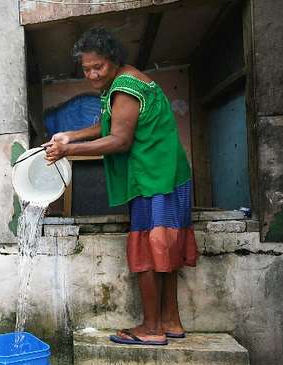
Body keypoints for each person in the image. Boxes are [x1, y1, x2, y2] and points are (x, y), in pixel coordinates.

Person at [43, 28, 198, 346]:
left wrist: (67, 151)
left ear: (113, 60)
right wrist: (71, 135)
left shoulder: (124, 88)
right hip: (167, 175)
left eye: (97, 66)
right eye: (86, 69)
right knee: (164, 248)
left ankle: (151, 328)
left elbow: (119, 139)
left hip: (153, 178)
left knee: (148, 250)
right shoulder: (123, 82)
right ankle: (171, 321)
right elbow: (110, 123)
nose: (92, 74)